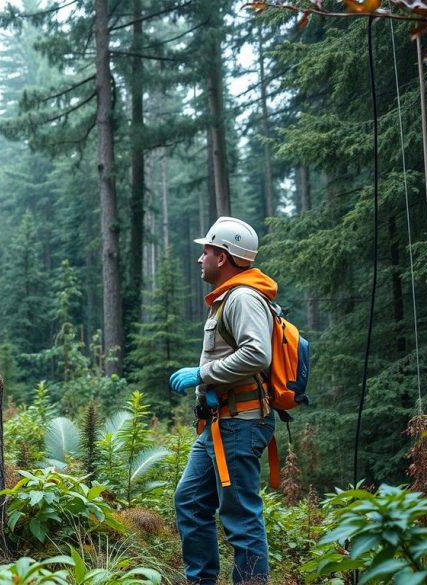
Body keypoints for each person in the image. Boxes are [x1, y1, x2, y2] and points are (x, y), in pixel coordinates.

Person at [169, 216, 277, 585]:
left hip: (240, 423)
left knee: (241, 519)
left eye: (207, 251)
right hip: (220, 423)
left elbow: (257, 354)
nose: (201, 258)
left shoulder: (244, 298)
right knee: (191, 501)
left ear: (224, 256)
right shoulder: (229, 298)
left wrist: (201, 375)